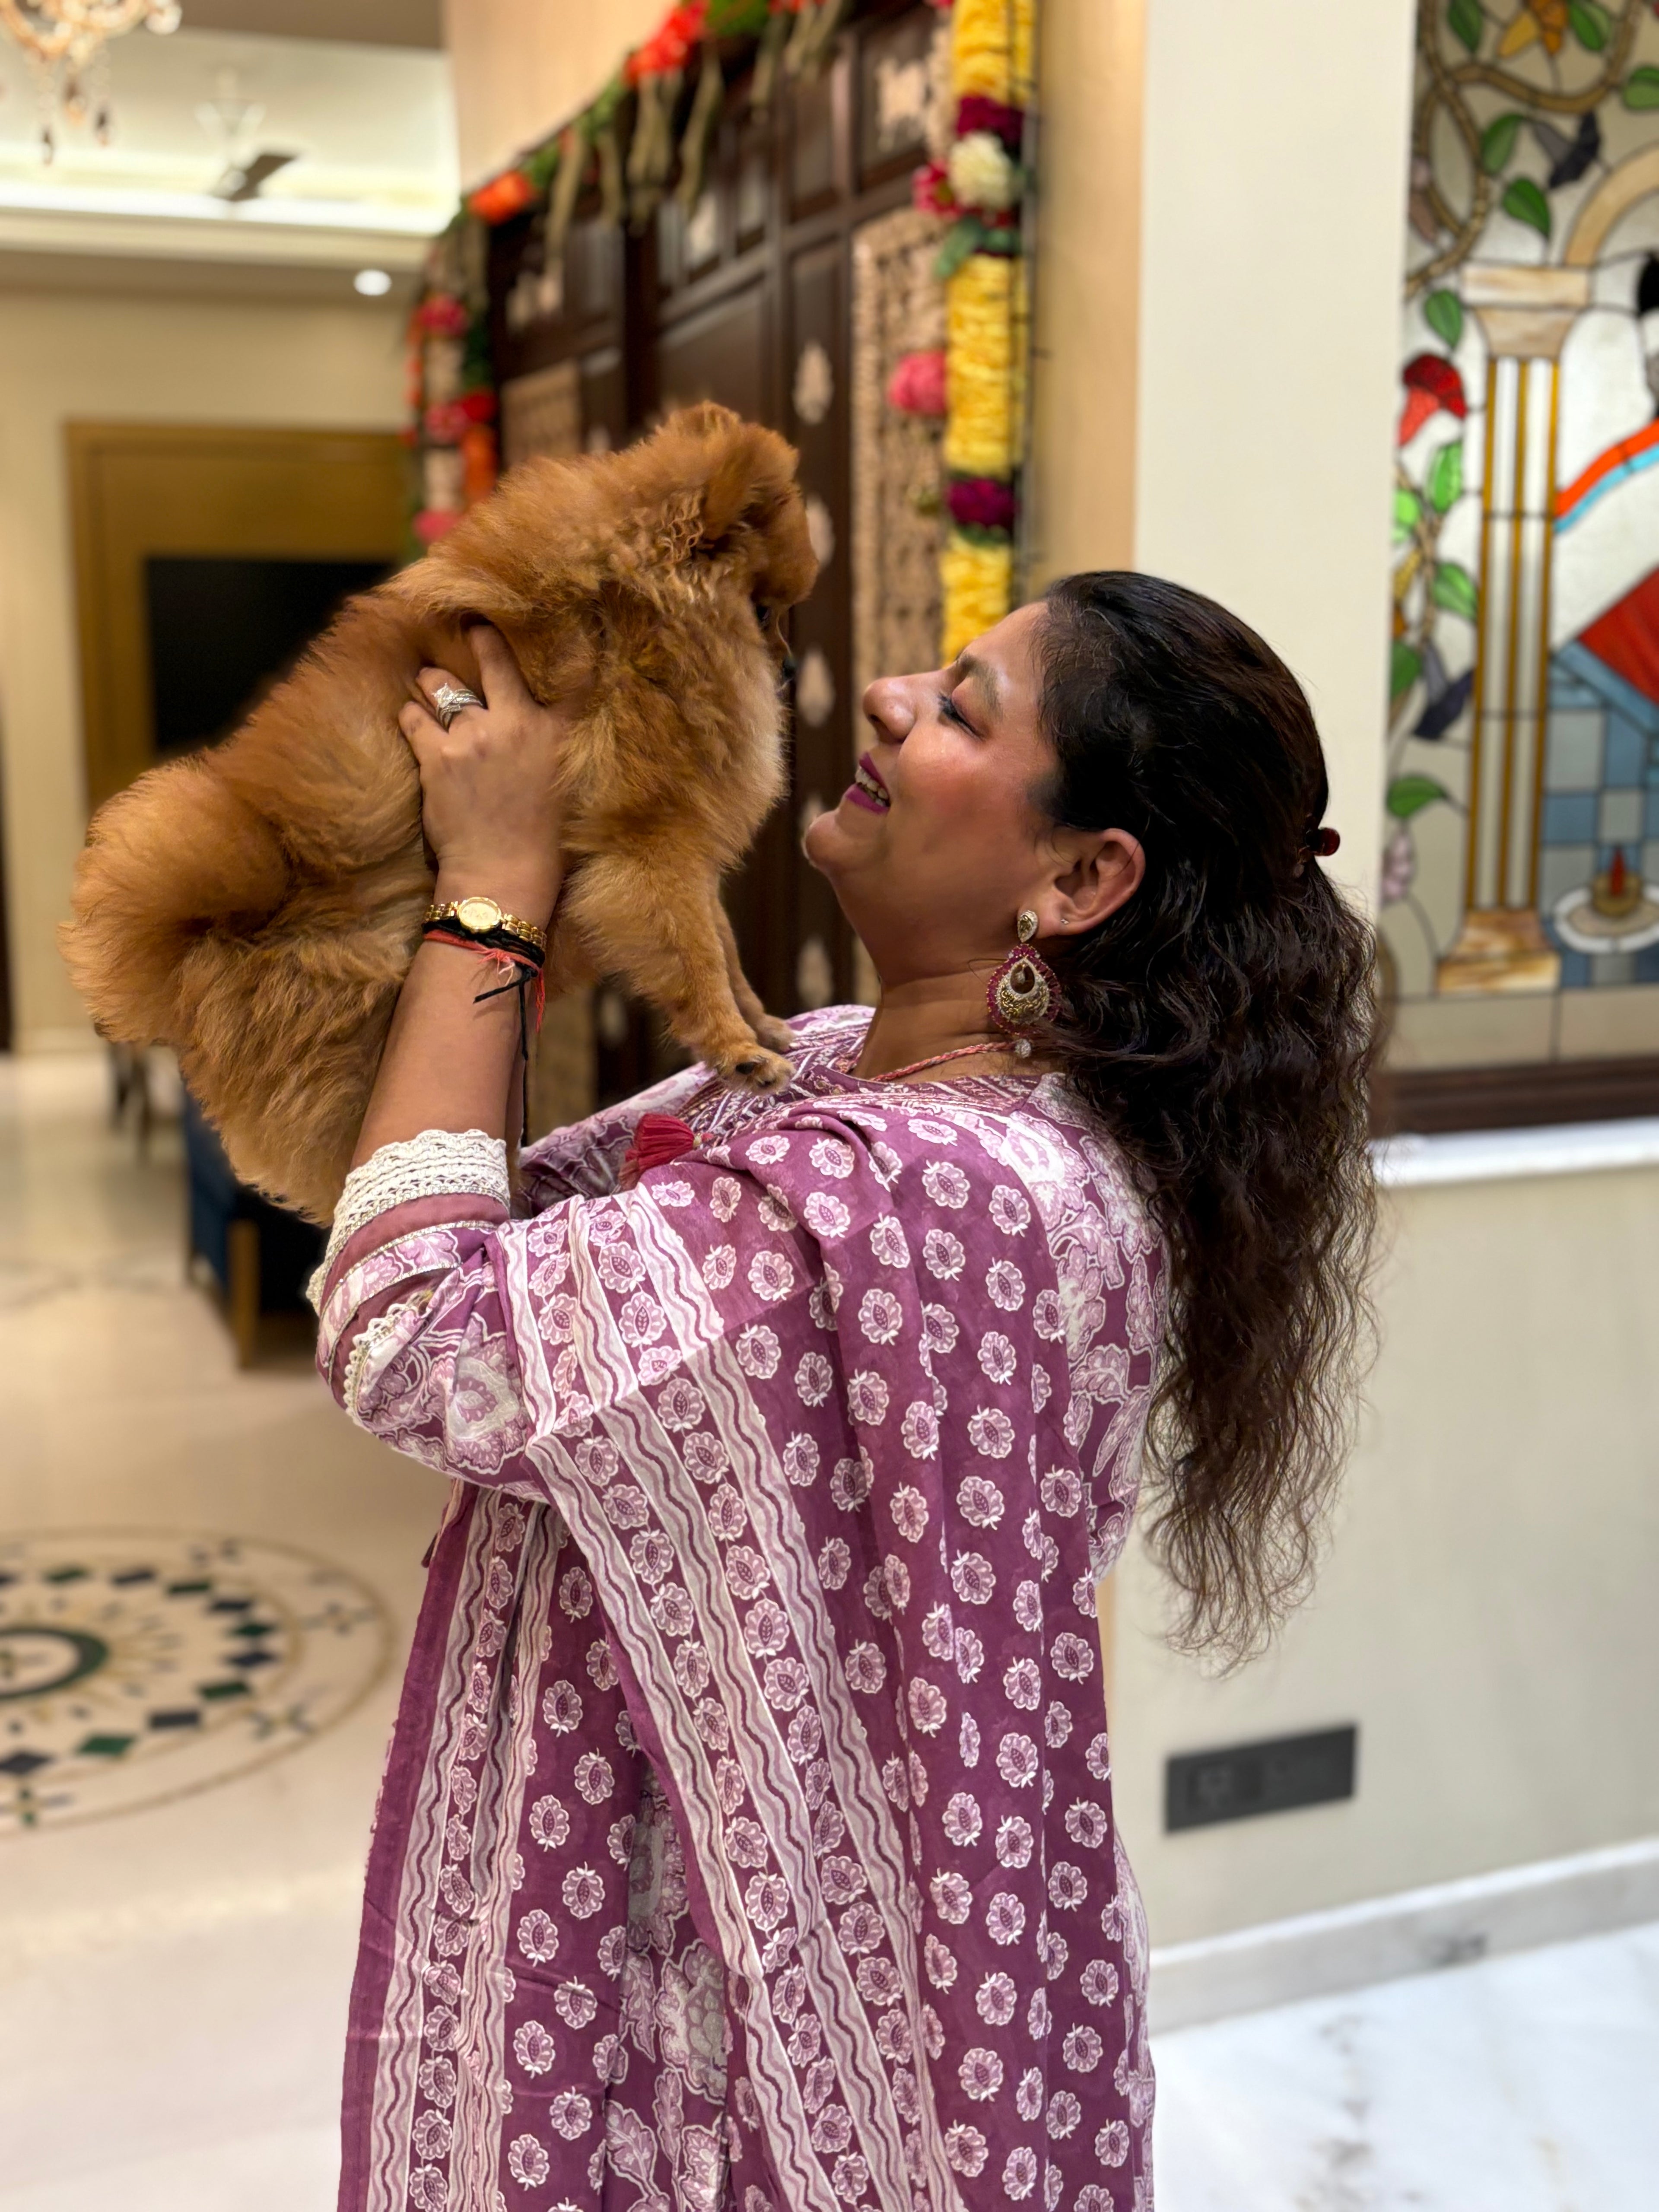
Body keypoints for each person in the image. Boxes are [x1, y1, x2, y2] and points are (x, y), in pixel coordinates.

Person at [315, 573, 1378, 2212]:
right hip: (771, 1872)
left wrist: (493, 894)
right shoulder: (826, 1070)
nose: (886, 695)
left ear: (1079, 878)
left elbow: (415, 1328)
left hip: (759, 1959)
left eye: (961, 707)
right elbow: (501, 1218)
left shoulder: (939, 1190)